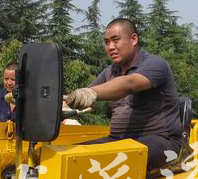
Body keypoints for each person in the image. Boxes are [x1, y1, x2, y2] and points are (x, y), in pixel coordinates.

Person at [65, 18, 181, 169]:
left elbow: (129, 83)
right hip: (118, 140)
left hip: (162, 142)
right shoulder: (109, 72)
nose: (110, 47)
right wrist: (62, 103)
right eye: (106, 42)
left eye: (115, 40)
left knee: (122, 160)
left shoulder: (155, 63)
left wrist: (91, 92)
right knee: (68, 157)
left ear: (133, 39)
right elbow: (81, 98)